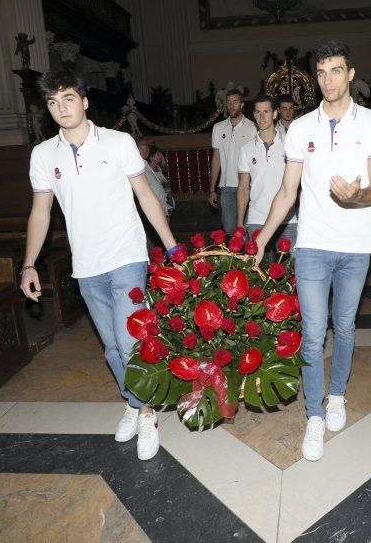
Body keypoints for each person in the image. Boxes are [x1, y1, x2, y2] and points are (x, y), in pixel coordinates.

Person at [21, 70, 177, 461]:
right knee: (111, 346)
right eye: (53, 102)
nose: (61, 109)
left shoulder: (119, 142)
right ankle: (131, 399)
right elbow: (40, 213)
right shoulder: (43, 155)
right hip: (86, 264)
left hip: (126, 256)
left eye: (69, 99)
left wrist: (171, 246)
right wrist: (28, 265)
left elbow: (144, 195)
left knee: (129, 341)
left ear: (85, 101)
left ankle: (146, 413)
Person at [254, 40, 371, 462]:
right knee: (313, 334)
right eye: (321, 72)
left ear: (350, 74)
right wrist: (260, 239)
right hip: (311, 245)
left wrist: (357, 197)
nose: (328, 80)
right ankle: (314, 414)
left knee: (345, 326)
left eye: (336, 70)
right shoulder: (300, 129)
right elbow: (286, 192)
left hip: (355, 245)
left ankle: (336, 396)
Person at [237, 94, 297, 253]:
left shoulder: (290, 144)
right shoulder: (246, 149)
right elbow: (243, 188)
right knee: (259, 273)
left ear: (275, 113)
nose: (261, 116)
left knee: (291, 273)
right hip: (257, 219)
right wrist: (240, 222)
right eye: (258, 112)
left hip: (287, 220)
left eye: (266, 111)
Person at [208, 89, 257, 234]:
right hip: (226, 186)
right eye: (228, 102)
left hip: (247, 185)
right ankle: (236, 255)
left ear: (242, 105)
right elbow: (216, 159)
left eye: (235, 102)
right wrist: (212, 190)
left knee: (247, 228)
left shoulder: (252, 128)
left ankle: (248, 256)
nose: (231, 105)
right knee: (230, 228)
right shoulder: (218, 128)